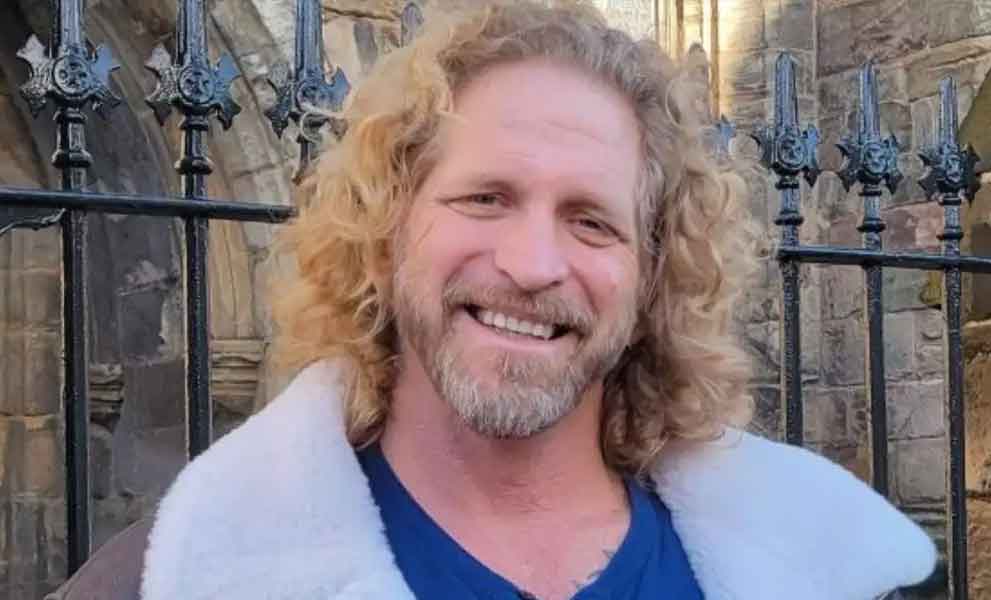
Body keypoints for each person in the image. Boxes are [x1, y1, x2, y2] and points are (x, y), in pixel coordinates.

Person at [138, 1, 936, 598]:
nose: (531, 265)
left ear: (652, 276)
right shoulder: (192, 573)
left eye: (591, 222)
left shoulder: (828, 567)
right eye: (484, 199)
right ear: (384, 232)